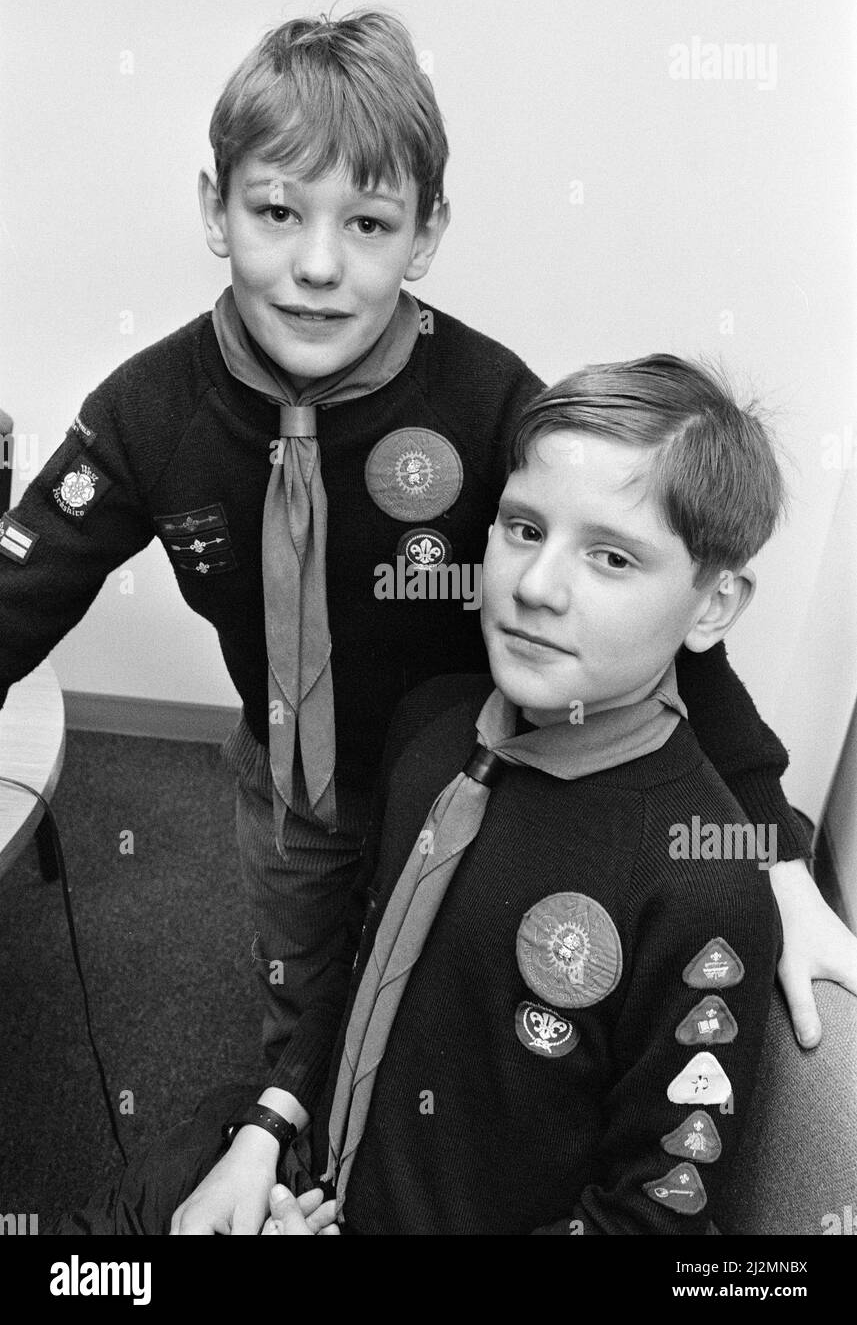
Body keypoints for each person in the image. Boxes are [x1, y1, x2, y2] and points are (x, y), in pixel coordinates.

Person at [0, 12, 852, 1110]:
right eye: (275, 212)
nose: (317, 266)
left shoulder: (487, 400)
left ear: (426, 234)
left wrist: (774, 852)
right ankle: (291, 1130)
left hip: (480, 778)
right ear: (215, 210)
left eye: (368, 223)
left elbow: (662, 623)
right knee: (300, 985)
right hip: (291, 789)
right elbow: (19, 591)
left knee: (442, 1010)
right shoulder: (147, 411)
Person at [56, 356, 798, 1234]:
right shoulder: (432, 728)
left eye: (610, 557)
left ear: (712, 607)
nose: (534, 587)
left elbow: (652, 1216)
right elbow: (359, 957)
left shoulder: (703, 887)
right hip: (293, 1162)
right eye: (523, 529)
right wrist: (264, 1130)